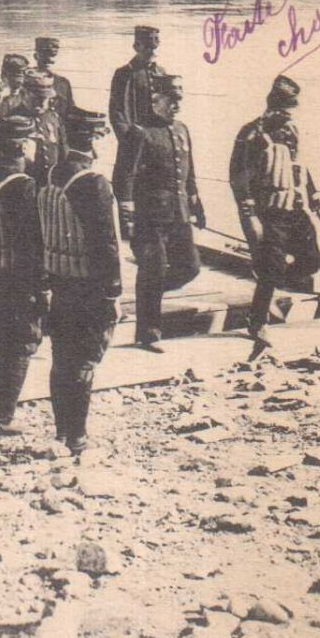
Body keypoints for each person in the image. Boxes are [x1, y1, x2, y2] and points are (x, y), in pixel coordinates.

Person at [40, 108, 122, 455]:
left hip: (59, 283)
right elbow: (106, 245)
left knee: (62, 358)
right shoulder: (93, 184)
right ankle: (77, 436)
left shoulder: (52, 174)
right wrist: (113, 293)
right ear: (95, 139)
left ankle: (62, 432)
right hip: (88, 286)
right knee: (86, 359)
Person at [230, 74, 320, 351]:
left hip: (295, 209)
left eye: (291, 111)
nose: (288, 117)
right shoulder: (251, 135)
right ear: (272, 107)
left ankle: (269, 283)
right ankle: (258, 320)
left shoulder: (293, 131)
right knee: (271, 266)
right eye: (283, 112)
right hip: (267, 211)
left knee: (311, 260)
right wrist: (250, 216)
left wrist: (317, 204)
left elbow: (302, 170)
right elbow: (238, 177)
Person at [115, 74, 204, 353]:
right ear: (156, 99)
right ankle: (148, 333)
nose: (177, 104)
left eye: (180, 98)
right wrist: (127, 218)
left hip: (179, 214)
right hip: (150, 217)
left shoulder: (181, 129)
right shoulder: (139, 132)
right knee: (152, 270)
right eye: (171, 98)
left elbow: (189, 172)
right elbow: (123, 177)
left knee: (190, 267)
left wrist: (196, 203)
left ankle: (147, 297)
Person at [0, 113, 46, 437]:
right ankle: (1, 419)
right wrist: (41, 287)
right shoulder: (23, 187)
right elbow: (31, 245)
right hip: (14, 277)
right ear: (23, 145)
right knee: (21, 343)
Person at [108, 25, 166, 191]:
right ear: (136, 47)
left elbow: (165, 109)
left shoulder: (161, 72)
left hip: (155, 142)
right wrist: (130, 142)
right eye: (147, 47)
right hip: (134, 141)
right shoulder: (124, 74)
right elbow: (117, 113)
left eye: (154, 47)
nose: (152, 51)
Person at [23, 69, 65, 180]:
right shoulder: (14, 120)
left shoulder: (53, 118)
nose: (41, 103)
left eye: (44, 99)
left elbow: (62, 154)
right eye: (36, 98)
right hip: (25, 185)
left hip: (50, 183)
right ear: (24, 95)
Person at [34, 36, 74, 116]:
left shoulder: (63, 83)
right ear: (35, 56)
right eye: (44, 56)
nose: (49, 60)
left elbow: (70, 110)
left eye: (52, 57)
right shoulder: (25, 81)